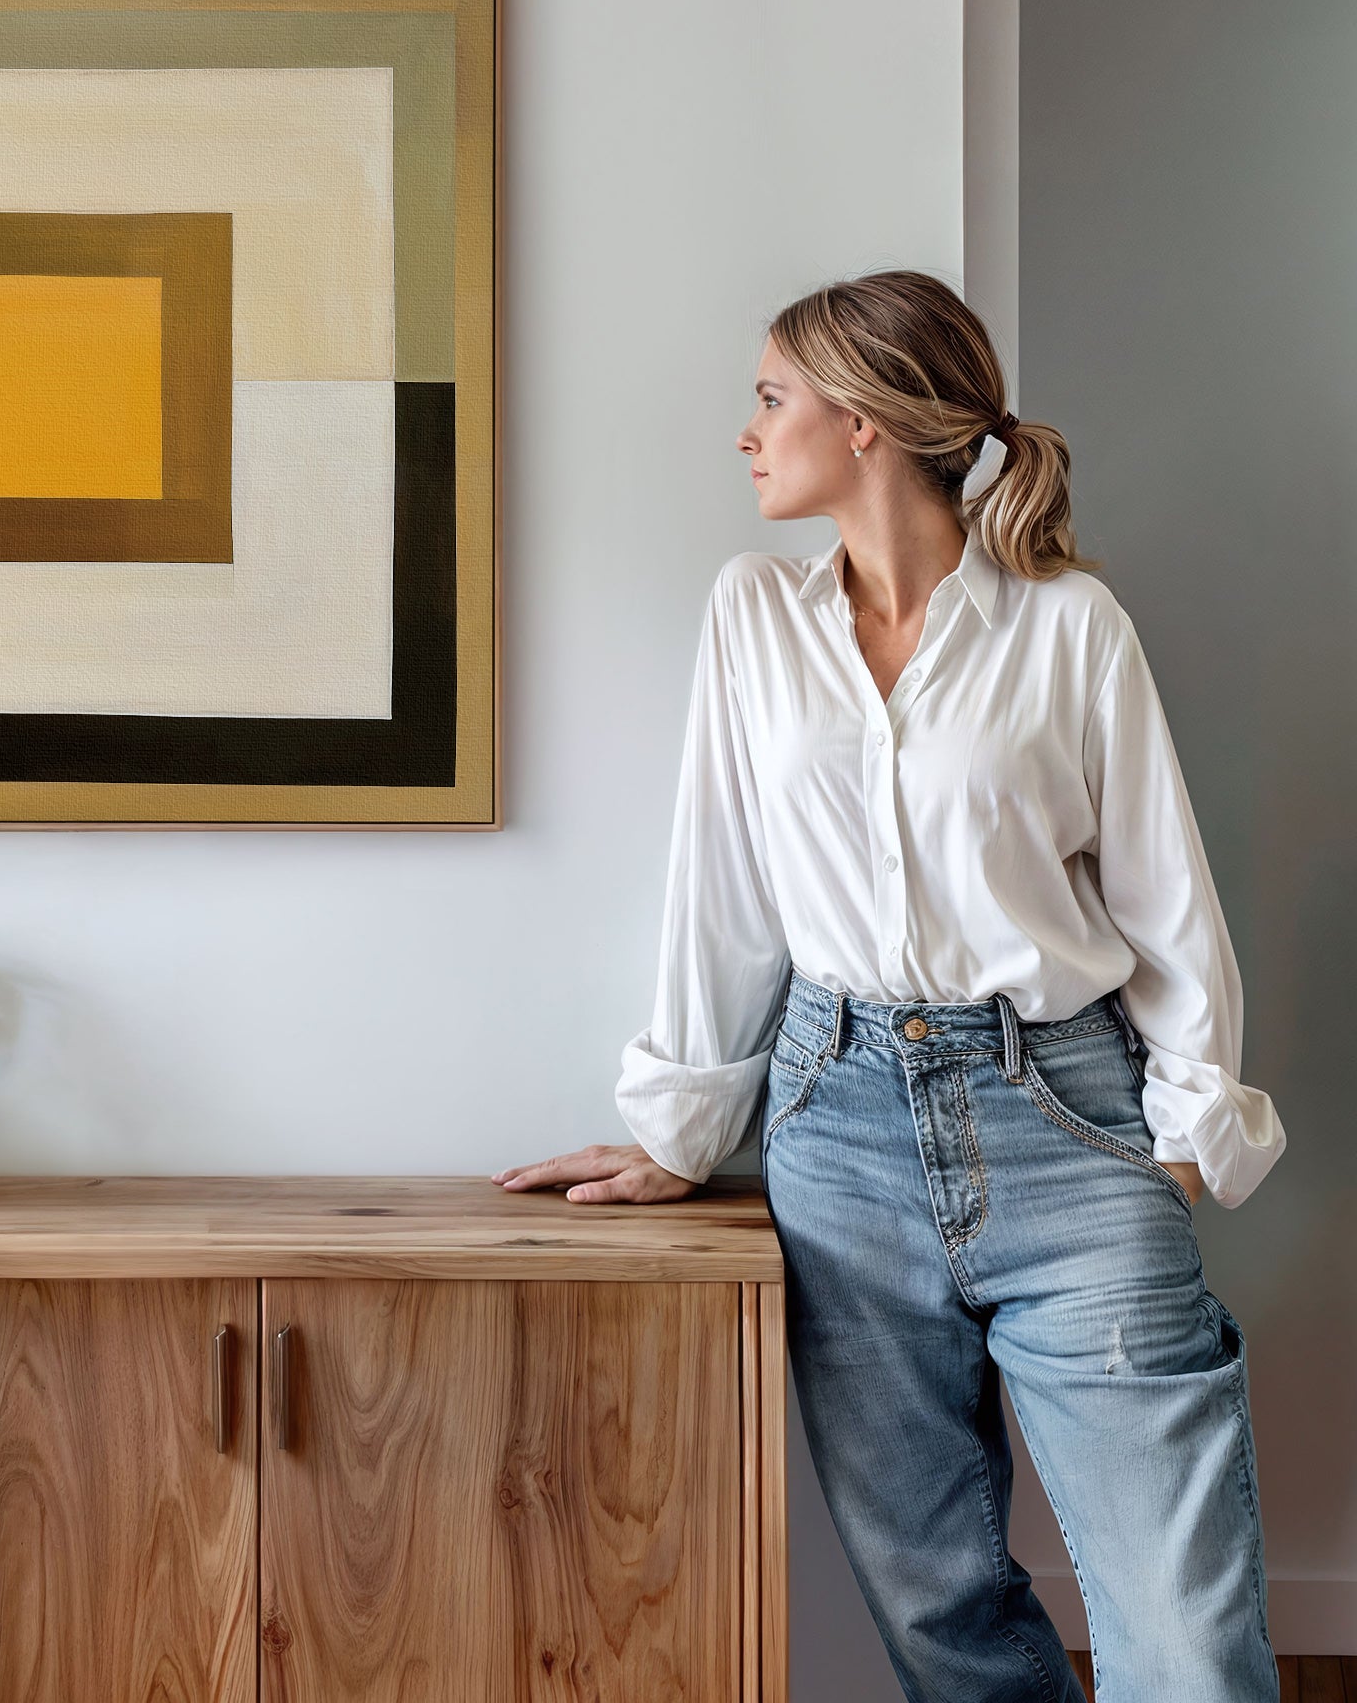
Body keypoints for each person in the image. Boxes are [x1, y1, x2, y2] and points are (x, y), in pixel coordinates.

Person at [493, 271, 1285, 1701]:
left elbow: (1168, 897)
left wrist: (1183, 1134)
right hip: (837, 1128)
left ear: (863, 424)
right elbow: (719, 885)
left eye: (770, 397)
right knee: (941, 1614)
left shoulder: (1068, 627)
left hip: (1069, 1116)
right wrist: (685, 1128)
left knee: (1182, 1627)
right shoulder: (753, 618)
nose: (747, 432)